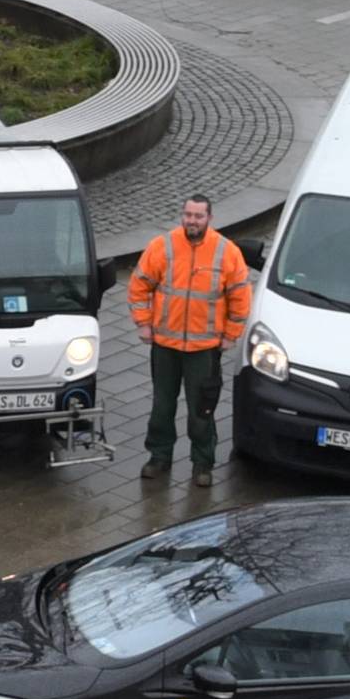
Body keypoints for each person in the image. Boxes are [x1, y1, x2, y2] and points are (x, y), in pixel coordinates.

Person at [128, 194, 252, 487]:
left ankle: (202, 464)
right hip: (165, 346)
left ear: (209, 218)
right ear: (182, 216)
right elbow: (139, 285)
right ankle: (159, 457)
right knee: (162, 407)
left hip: (204, 350)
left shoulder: (226, 252)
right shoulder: (164, 246)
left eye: (198, 216)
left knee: (201, 411)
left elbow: (240, 297)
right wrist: (144, 324)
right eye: (188, 215)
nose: (192, 221)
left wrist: (230, 336)